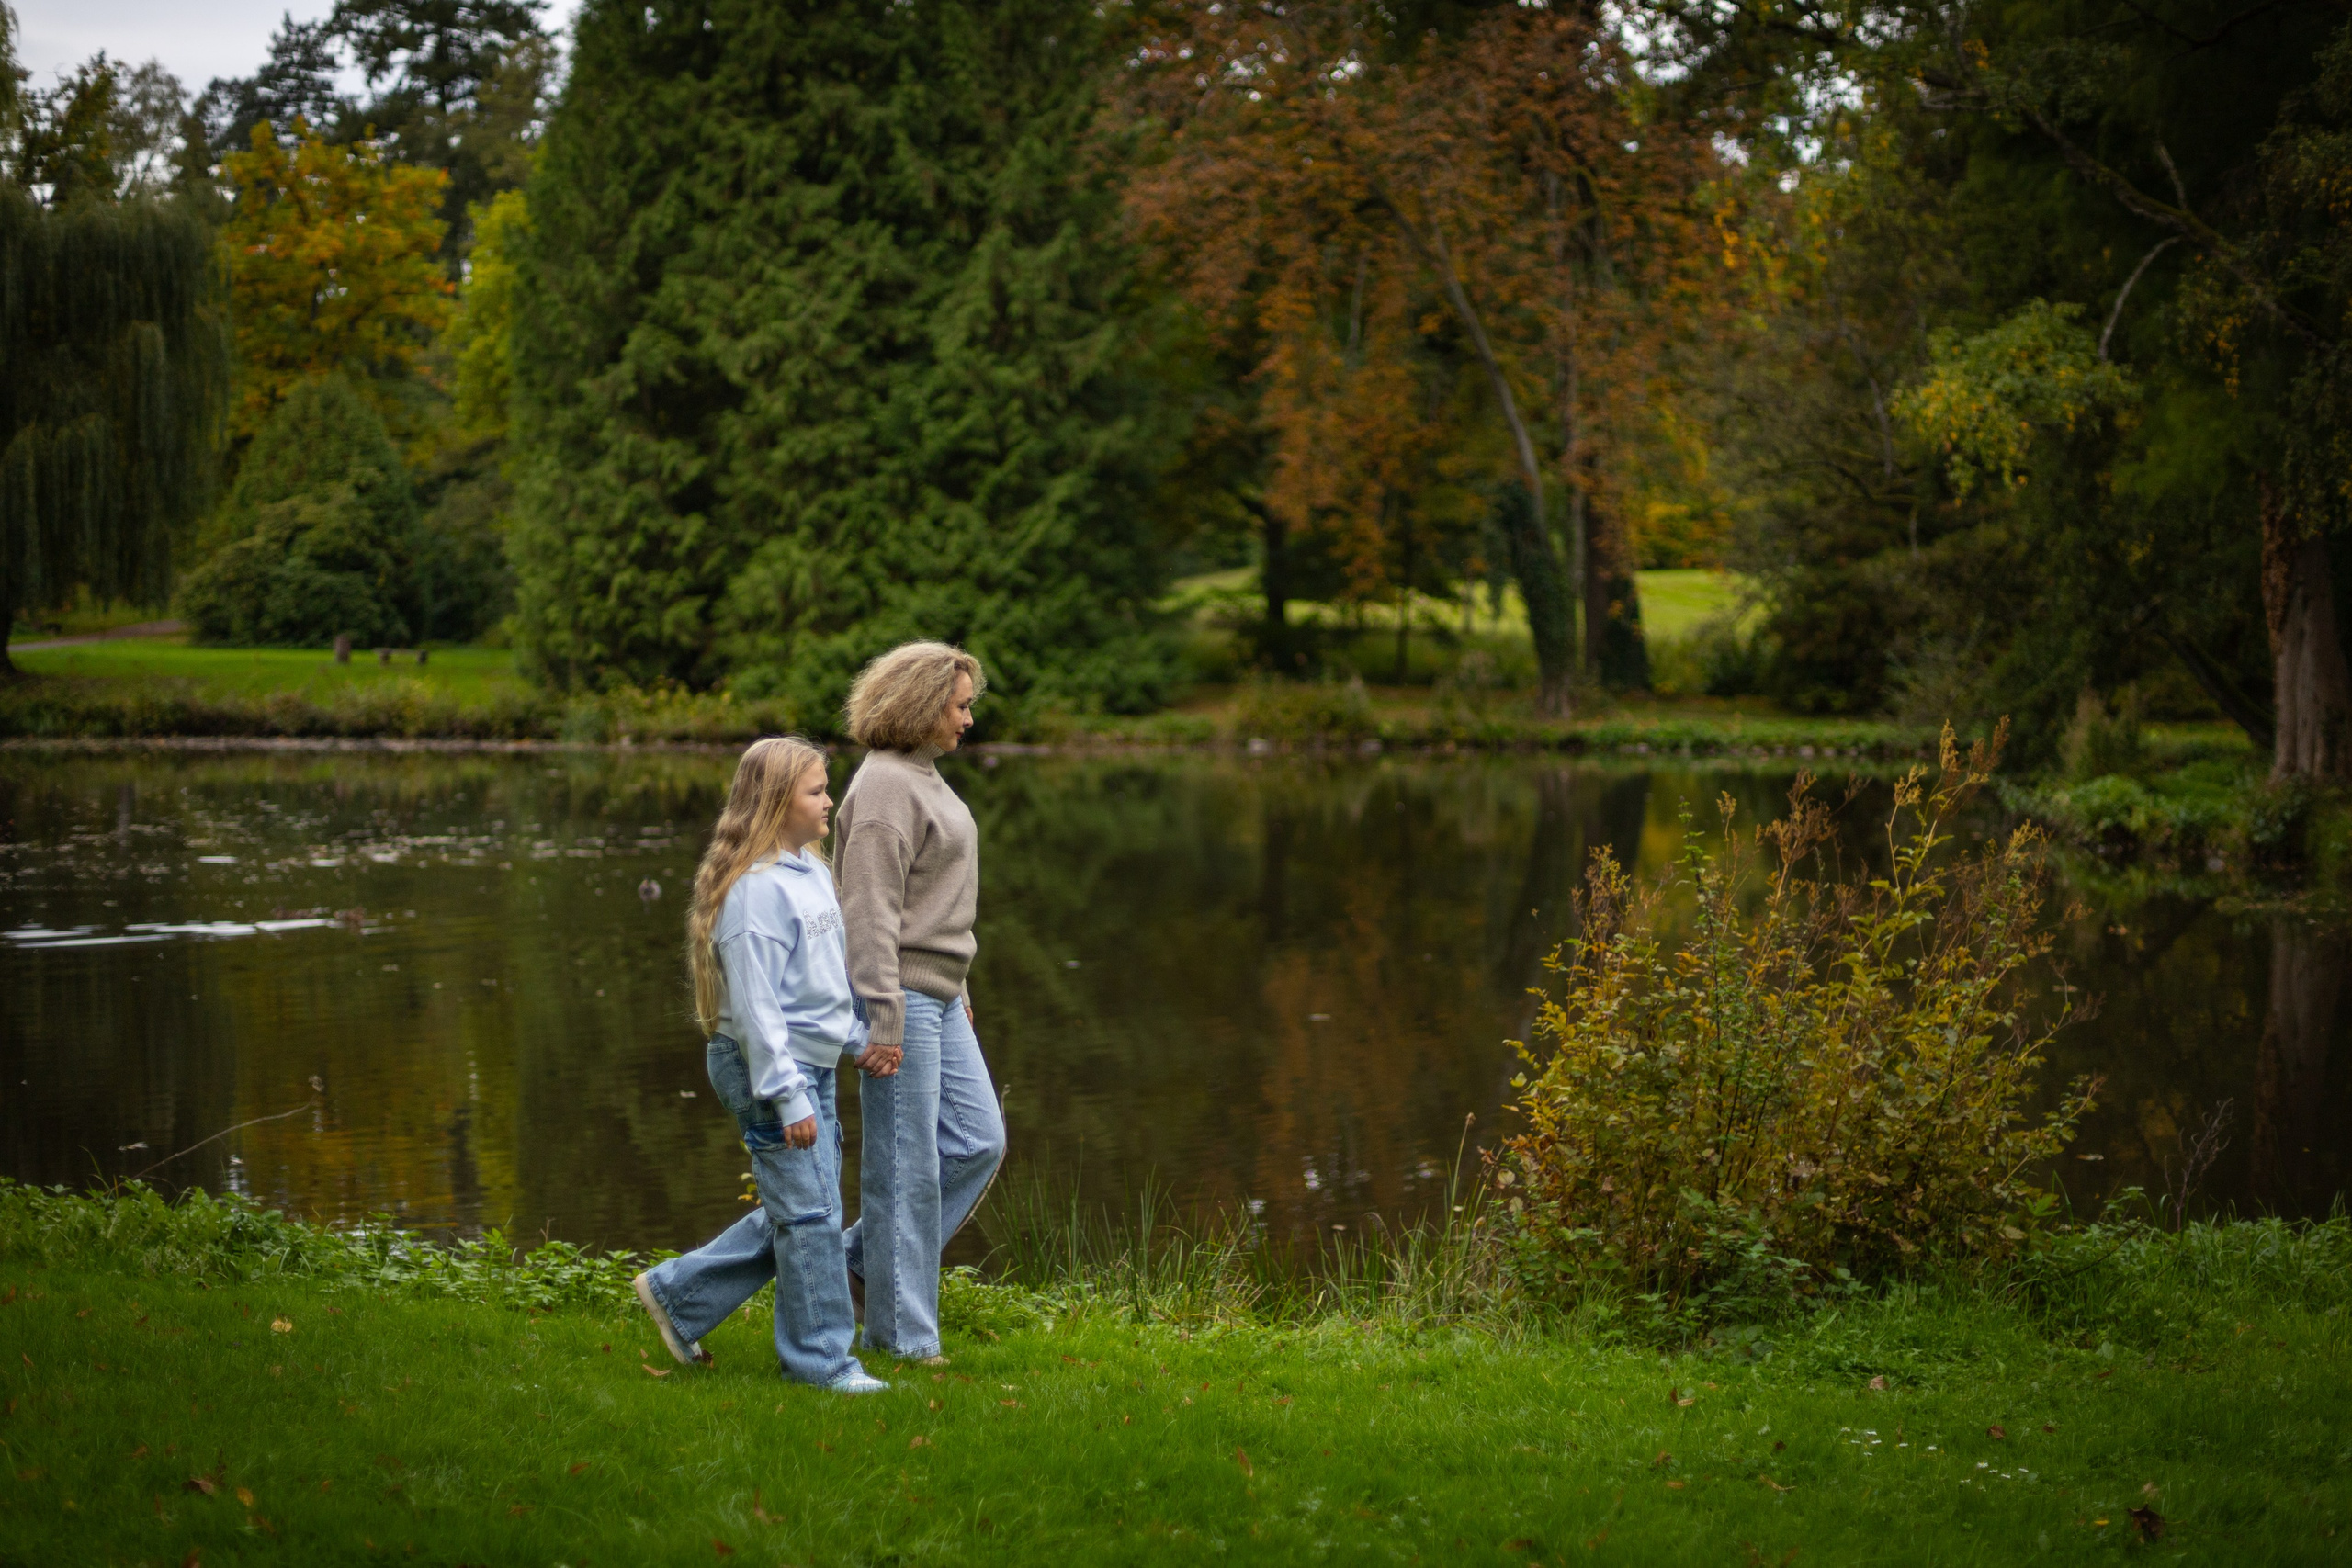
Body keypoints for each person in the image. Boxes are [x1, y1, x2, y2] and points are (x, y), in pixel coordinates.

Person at [629, 736, 888, 1394]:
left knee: (809, 1207)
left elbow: (818, 987)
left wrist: (857, 1037)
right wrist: (788, 1095)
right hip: (767, 1069)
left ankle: (677, 1295)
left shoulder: (806, 871)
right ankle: (821, 1363)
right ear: (776, 803)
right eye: (815, 790)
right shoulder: (755, 895)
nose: (830, 800)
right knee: (808, 1217)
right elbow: (757, 1009)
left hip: (810, 1064)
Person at [835, 641, 1007, 1363]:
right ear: (922, 701)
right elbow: (868, 912)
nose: (969, 719)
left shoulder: (923, 775)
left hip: (941, 991)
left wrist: (958, 986)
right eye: (961, 704)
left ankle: (856, 1260)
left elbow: (933, 897)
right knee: (905, 1167)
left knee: (979, 1141)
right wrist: (882, 1014)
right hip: (900, 995)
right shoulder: (882, 787)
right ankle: (902, 1338)